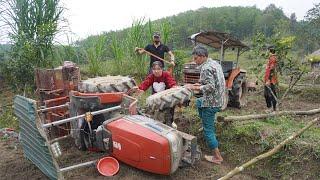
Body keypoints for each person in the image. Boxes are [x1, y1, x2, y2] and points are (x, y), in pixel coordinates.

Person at [185, 45, 225, 165]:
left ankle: (217, 157)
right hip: (219, 99)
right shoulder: (214, 63)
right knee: (198, 102)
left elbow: (210, 87)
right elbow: (210, 81)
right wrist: (197, 84)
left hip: (212, 102)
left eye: (196, 58)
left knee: (208, 131)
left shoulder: (206, 68)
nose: (195, 60)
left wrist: (196, 87)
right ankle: (206, 123)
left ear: (202, 56)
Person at [132, 61, 177, 128]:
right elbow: (145, 83)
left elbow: (171, 83)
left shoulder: (166, 75)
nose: (156, 71)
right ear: (152, 70)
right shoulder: (151, 76)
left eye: (158, 69)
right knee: (156, 111)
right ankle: (157, 122)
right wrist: (139, 89)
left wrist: (174, 87)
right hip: (156, 98)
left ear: (162, 69)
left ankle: (171, 122)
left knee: (169, 111)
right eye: (154, 69)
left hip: (167, 98)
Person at [264, 46, 278, 112]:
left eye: (267, 50)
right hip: (268, 79)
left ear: (269, 51)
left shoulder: (272, 58)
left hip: (270, 80)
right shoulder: (271, 58)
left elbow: (272, 69)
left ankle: (272, 108)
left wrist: (268, 80)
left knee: (270, 94)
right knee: (268, 94)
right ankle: (271, 107)